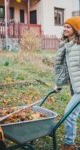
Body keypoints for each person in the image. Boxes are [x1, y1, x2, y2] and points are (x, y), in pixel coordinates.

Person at [54, 16, 80, 150]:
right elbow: (63, 67)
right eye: (64, 26)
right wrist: (58, 84)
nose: (64, 28)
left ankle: (69, 144)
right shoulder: (66, 46)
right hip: (75, 88)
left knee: (69, 114)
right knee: (74, 114)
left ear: (75, 29)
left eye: (68, 26)